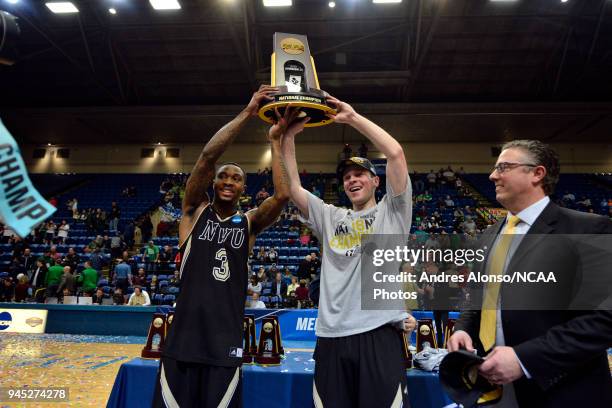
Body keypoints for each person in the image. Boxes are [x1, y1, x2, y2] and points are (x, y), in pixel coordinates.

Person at [153, 85, 291, 408]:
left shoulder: (249, 223)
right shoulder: (194, 211)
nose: (228, 181)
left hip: (225, 344)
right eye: (223, 177)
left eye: (236, 178)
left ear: (244, 187)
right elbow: (207, 157)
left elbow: (283, 195)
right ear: (213, 183)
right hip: (182, 341)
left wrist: (274, 140)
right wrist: (248, 112)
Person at [447, 140, 612, 407]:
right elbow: (479, 297)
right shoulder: (489, 235)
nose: (493, 175)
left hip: (560, 391)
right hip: (492, 388)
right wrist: (463, 329)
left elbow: (603, 320)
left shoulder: (588, 229)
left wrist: (525, 359)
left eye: (504, 167)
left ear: (537, 173)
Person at [280, 95, 416, 407]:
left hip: (379, 334)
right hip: (331, 337)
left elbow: (395, 153)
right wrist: (287, 138)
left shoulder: (392, 212)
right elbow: (292, 188)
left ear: (374, 181)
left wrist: (353, 117)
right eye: (346, 177)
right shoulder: (330, 217)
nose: (352, 179)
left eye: (359, 174)